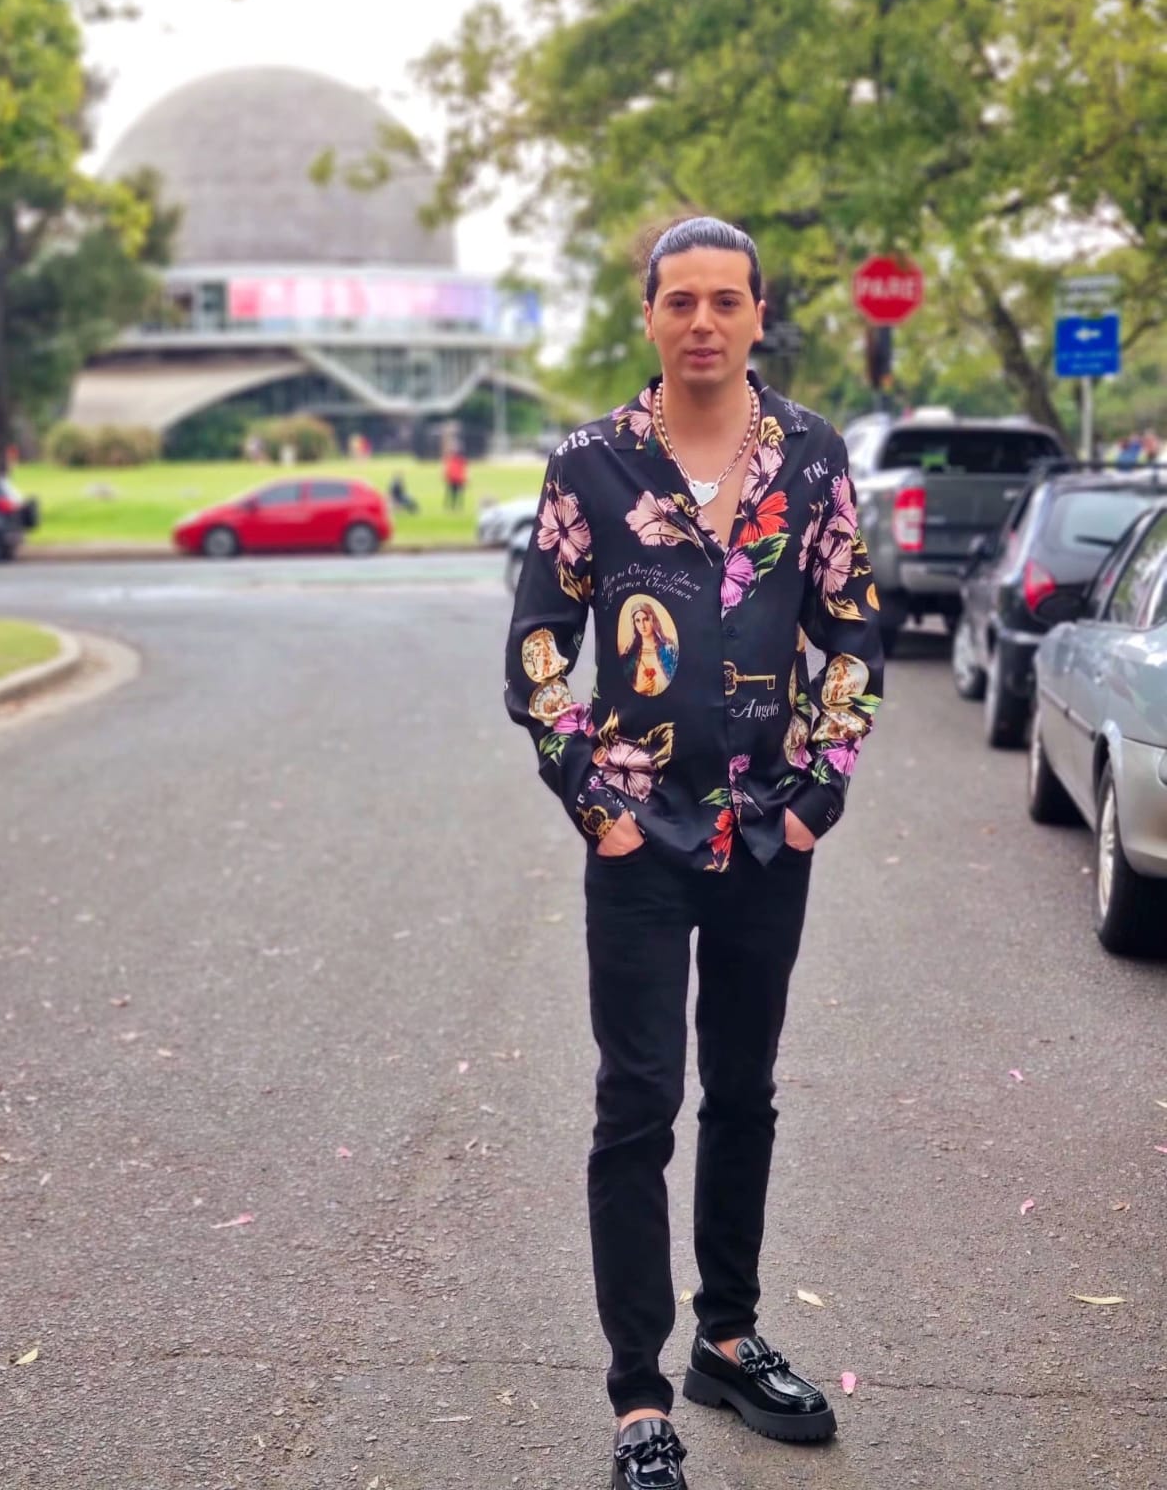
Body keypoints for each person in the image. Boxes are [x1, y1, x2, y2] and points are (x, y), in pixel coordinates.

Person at [504, 217, 884, 1490]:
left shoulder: (814, 458)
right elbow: (540, 653)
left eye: (727, 299)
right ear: (651, 315)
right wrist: (594, 802)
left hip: (769, 832)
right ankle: (637, 1397)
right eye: (682, 300)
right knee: (638, 1103)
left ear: (760, 313)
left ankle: (727, 1335)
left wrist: (816, 794)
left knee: (745, 1089)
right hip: (638, 839)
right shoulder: (593, 465)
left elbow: (852, 630)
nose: (704, 321)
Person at [621, 600, 679, 696]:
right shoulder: (629, 656)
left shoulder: (669, 650)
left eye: (646, 619)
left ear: (653, 620)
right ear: (634, 624)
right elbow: (621, 691)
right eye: (638, 621)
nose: (642, 625)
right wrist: (638, 689)